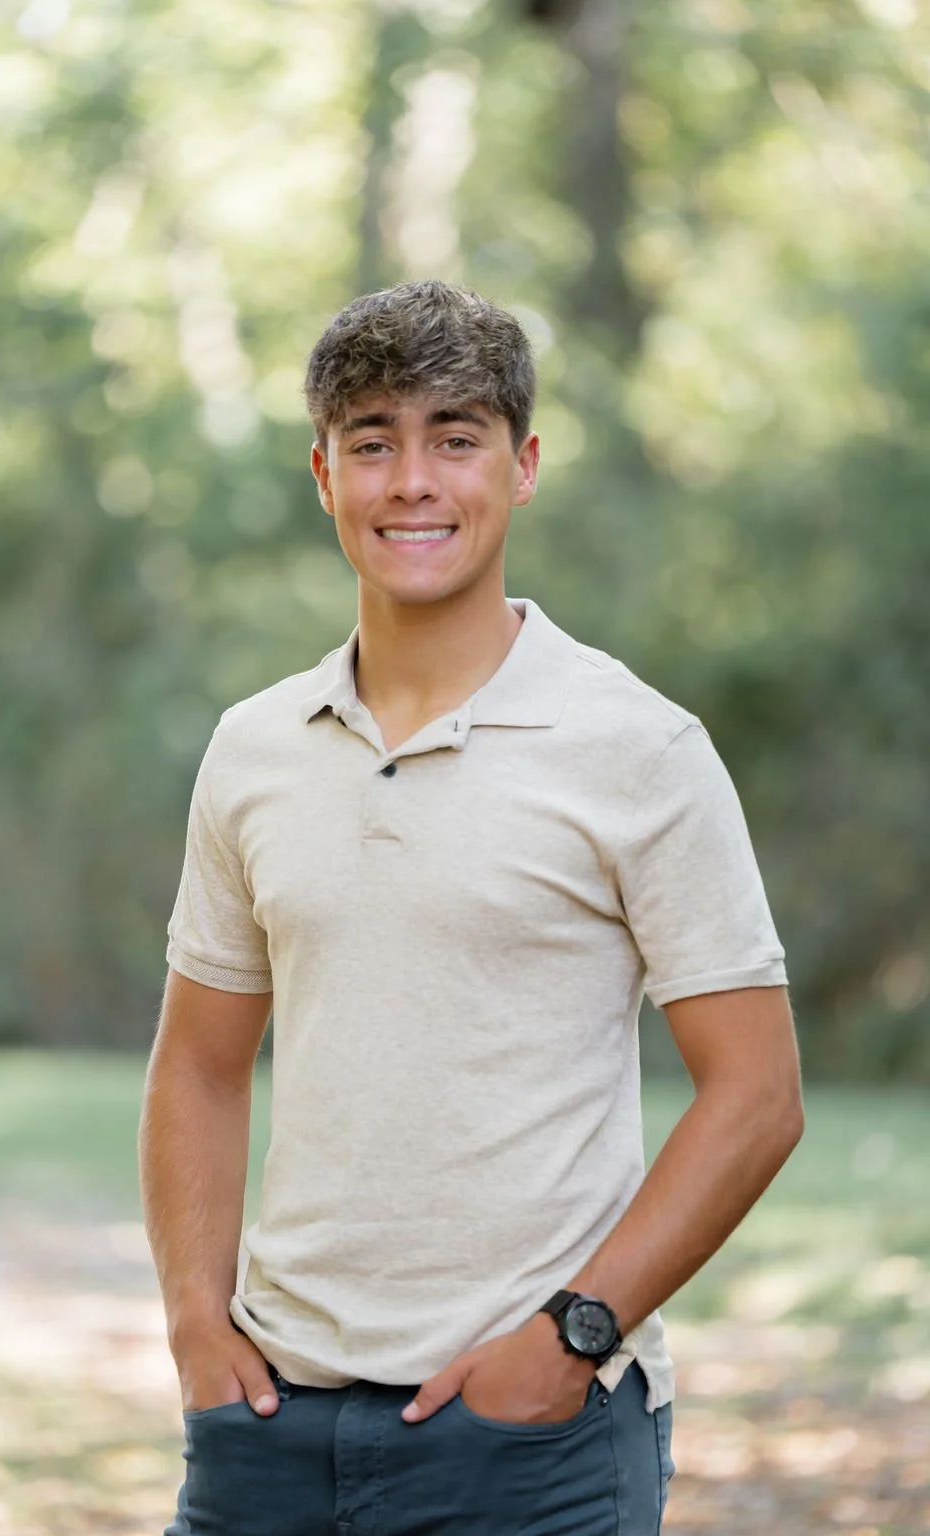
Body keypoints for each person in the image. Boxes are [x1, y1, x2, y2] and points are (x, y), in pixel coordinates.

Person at [140, 280, 804, 1536]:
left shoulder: (640, 748)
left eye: (455, 437)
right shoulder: (253, 748)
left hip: (529, 1440)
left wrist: (572, 1340)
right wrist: (192, 1323)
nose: (412, 483)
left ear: (522, 466)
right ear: (322, 475)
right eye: (372, 442)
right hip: (268, 1429)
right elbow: (199, 1067)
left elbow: (758, 1095)